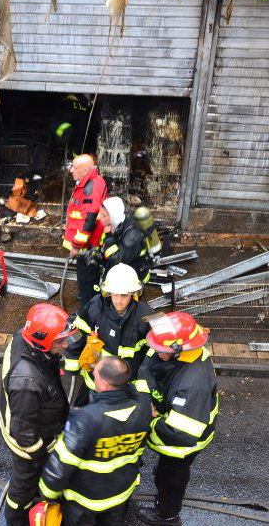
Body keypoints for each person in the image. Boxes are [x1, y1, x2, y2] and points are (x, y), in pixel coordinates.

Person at [38, 356, 152, 525]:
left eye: (96, 375)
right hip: (120, 495)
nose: (93, 377)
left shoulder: (85, 419)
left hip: (84, 502)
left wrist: (46, 493)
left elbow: (62, 463)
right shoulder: (143, 409)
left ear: (104, 383)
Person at [0, 303, 83, 526]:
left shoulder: (23, 338)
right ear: (41, 341)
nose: (65, 345)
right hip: (27, 446)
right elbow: (24, 433)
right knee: (22, 488)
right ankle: (16, 518)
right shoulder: (27, 382)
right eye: (60, 341)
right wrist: (40, 456)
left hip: (27, 423)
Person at [134, 312, 219, 526]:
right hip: (172, 416)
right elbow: (147, 368)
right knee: (164, 472)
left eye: (162, 350)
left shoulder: (193, 382)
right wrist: (145, 401)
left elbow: (180, 433)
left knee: (172, 476)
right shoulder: (171, 348)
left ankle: (167, 516)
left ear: (179, 351)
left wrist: (146, 424)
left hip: (185, 440)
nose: (156, 351)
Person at [64, 263, 155, 407]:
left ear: (133, 293)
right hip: (95, 379)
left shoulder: (145, 316)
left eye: (124, 295)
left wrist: (145, 388)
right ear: (108, 292)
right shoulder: (95, 306)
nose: (119, 300)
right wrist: (73, 365)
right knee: (82, 411)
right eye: (115, 294)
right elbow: (76, 332)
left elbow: (153, 354)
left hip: (126, 384)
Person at [63, 154, 108, 308]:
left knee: (87, 282)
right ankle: (89, 302)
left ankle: (87, 315)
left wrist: (75, 245)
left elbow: (88, 221)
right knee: (87, 282)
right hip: (87, 245)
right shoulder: (89, 182)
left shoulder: (91, 188)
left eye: (75, 168)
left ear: (85, 170)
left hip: (86, 247)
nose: (71, 170)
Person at [97, 196, 161, 286]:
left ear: (113, 216)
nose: (99, 217)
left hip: (133, 280)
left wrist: (108, 236)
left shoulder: (132, 235)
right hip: (120, 274)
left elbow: (118, 260)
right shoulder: (114, 225)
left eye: (104, 215)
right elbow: (106, 249)